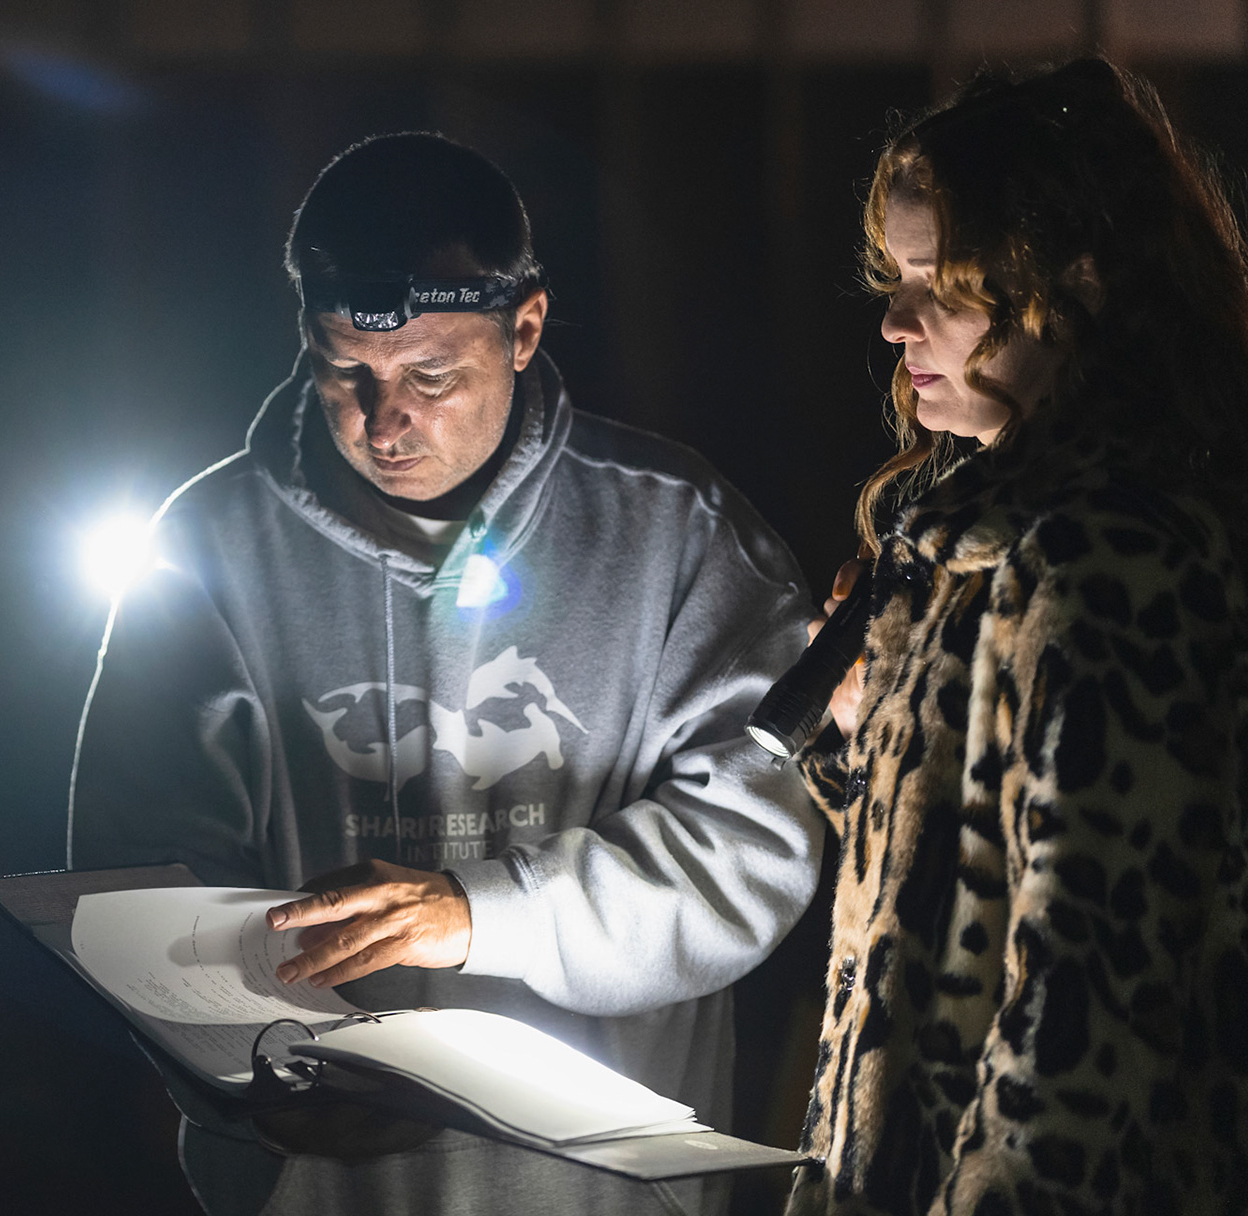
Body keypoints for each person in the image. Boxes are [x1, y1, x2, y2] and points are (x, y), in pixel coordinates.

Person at [67, 131, 822, 1215]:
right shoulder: (209, 549)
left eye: (431, 376)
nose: (384, 422)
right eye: (345, 374)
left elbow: (755, 843)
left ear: (525, 328)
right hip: (317, 1191)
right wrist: (247, 1079)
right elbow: (138, 876)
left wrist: (476, 912)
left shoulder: (675, 534)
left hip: (604, 1195)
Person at [790, 58, 1248, 1216]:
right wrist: (859, 729)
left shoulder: (1112, 558)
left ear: (1074, 278)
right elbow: (957, 878)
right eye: (893, 279)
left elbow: (1090, 1003)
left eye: (936, 284)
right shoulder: (978, 532)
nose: (896, 321)